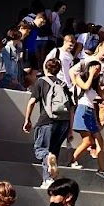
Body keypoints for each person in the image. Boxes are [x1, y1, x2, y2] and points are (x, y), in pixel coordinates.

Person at [22, 54, 72, 186]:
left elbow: (32, 102)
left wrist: (27, 119)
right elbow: (71, 107)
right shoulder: (63, 84)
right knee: (53, 152)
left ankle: (48, 177)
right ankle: (48, 179)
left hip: (47, 120)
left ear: (45, 68)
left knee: (42, 149)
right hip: (63, 121)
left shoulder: (41, 81)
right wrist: (70, 129)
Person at [69, 42, 104, 179]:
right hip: (82, 110)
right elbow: (85, 87)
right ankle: (73, 160)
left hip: (90, 111)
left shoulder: (96, 83)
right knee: (90, 140)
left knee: (96, 140)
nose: (98, 72)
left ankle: (101, 169)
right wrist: (91, 74)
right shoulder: (81, 77)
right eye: (96, 69)